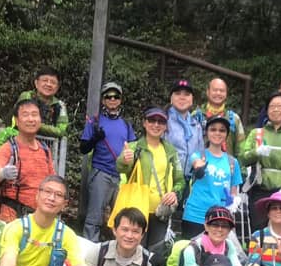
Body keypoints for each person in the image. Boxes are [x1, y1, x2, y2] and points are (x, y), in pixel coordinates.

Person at [116, 106, 184, 248]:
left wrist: (174, 193)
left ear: (165, 126)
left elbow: (180, 179)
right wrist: (124, 160)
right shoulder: (134, 147)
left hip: (161, 211)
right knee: (135, 250)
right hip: (137, 210)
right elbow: (122, 168)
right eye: (152, 120)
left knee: (155, 253)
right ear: (144, 123)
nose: (156, 125)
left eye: (161, 122)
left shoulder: (170, 150)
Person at [80, 82, 137, 241]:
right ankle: (89, 254)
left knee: (120, 219)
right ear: (103, 100)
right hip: (101, 173)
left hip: (121, 177)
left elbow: (133, 149)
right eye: (108, 97)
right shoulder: (95, 121)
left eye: (116, 96)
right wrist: (95, 138)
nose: (112, 99)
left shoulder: (126, 125)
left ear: (120, 100)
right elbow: (83, 148)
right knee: (94, 217)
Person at [238, 91, 281, 229]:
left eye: (280, 106)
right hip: (260, 189)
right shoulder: (256, 134)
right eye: (272, 106)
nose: (276, 109)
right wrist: (256, 152)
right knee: (259, 230)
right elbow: (242, 158)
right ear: (266, 110)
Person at [0, 98, 56, 222]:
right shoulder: (8, 148)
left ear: (40, 120)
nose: (30, 119)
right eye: (25, 115)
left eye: (35, 115)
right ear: (17, 121)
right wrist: (2, 173)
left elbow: (52, 181)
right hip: (10, 216)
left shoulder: (45, 150)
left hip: (37, 217)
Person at [181, 115, 243, 239]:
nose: (217, 133)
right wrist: (199, 167)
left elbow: (234, 191)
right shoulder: (198, 155)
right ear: (207, 132)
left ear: (226, 134)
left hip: (219, 219)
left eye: (222, 130)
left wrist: (233, 202)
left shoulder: (232, 162)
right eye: (213, 129)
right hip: (195, 215)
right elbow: (196, 164)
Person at [193, 78, 246, 158]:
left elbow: (241, 150)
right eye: (215, 90)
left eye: (222, 91)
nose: (218, 93)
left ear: (226, 94)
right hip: (201, 165)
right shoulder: (196, 116)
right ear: (208, 92)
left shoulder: (233, 118)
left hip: (227, 167)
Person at [164, 78, 204, 183]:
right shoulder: (162, 121)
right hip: (167, 181)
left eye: (186, 94)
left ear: (192, 99)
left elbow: (200, 152)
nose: (182, 97)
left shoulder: (196, 125)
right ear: (171, 98)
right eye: (177, 93)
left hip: (190, 182)